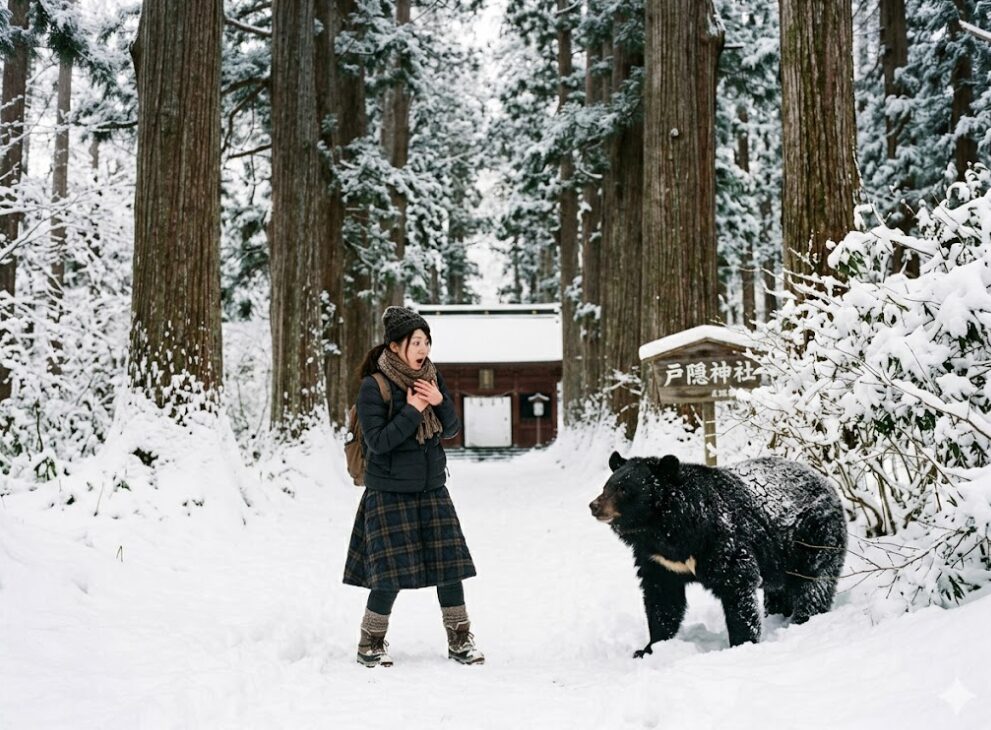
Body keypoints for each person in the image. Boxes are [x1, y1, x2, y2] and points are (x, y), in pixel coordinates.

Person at [343, 305, 483, 668]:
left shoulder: (432, 379)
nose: (423, 349)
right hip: (388, 493)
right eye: (415, 342)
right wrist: (413, 410)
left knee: (449, 569)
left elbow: (451, 429)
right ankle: (370, 642)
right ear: (393, 347)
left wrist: (438, 401)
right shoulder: (374, 386)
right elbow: (378, 442)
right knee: (388, 574)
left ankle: (459, 639)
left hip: (432, 488)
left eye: (426, 342)